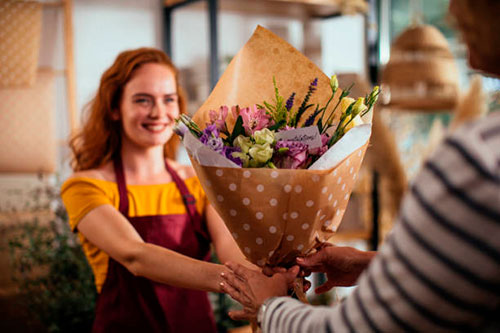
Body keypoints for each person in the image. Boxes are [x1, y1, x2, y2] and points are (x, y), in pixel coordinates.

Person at [219, 0, 500, 331]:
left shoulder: (479, 159)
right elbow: (473, 273)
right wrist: (377, 266)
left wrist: (268, 306)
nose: (452, 11)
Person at [61, 48, 253, 332]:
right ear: (115, 108)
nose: (158, 112)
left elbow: (228, 246)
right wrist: (239, 283)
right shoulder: (85, 186)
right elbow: (136, 256)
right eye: (142, 100)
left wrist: (263, 275)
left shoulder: (199, 179)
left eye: (168, 100)